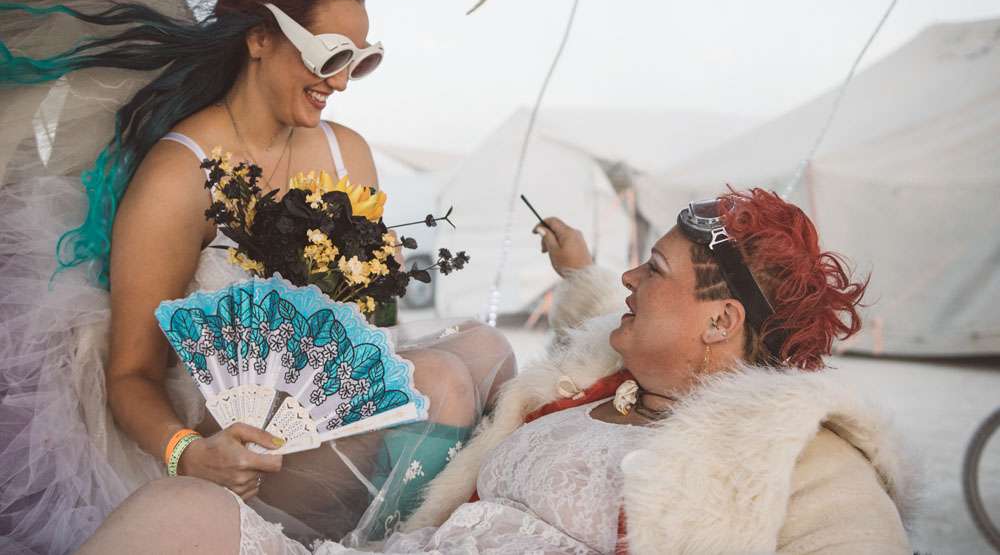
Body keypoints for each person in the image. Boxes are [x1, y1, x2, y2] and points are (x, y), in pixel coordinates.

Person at [0, 0, 513, 553]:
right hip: (236, 451)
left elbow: (367, 330)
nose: (342, 83)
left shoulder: (347, 154)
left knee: (484, 348)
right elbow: (130, 375)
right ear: (260, 37)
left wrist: (369, 303)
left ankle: (414, 530)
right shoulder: (179, 175)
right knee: (442, 381)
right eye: (330, 56)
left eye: (360, 61)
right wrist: (189, 452)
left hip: (326, 422)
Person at [78, 188, 915, 554]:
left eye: (654, 268)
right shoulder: (606, 374)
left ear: (721, 322)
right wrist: (576, 263)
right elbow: (599, 306)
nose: (631, 276)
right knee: (178, 510)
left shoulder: (788, 453)